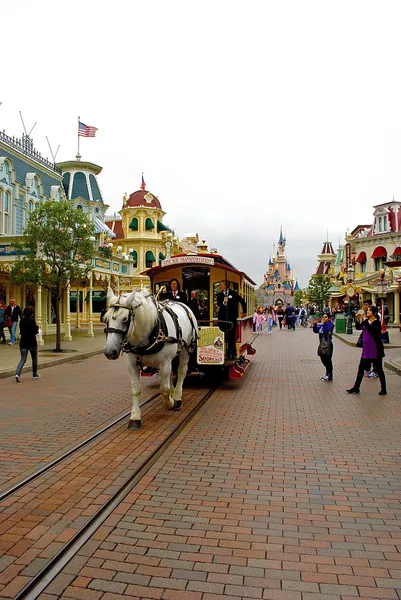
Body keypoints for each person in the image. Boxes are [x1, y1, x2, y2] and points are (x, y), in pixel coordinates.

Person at [346, 305, 386, 396]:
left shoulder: (377, 323)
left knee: (379, 369)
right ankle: (356, 387)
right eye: (367, 311)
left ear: (374, 313)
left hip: (375, 350)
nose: (367, 312)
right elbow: (358, 327)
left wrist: (364, 320)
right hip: (366, 350)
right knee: (361, 369)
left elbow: (372, 330)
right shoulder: (366, 321)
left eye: (369, 311)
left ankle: (383, 388)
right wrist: (357, 319)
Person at [217, 280, 246, 359]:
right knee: (223, 335)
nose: (220, 287)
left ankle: (232, 353)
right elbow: (219, 304)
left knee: (231, 335)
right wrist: (224, 302)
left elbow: (242, 301)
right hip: (222, 318)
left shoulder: (233, 294)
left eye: (221, 285)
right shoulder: (219, 295)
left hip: (231, 318)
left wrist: (244, 312)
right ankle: (222, 352)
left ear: (225, 286)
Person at [15, 306, 40, 382]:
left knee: (22, 359)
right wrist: (37, 328)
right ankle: (34, 374)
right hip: (32, 342)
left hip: (23, 342)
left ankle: (17, 374)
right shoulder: (32, 321)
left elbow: (21, 331)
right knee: (34, 358)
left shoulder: (21, 321)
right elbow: (36, 332)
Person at [313, 312, 334, 381]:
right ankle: (327, 373)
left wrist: (324, 324)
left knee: (328, 360)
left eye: (325, 317)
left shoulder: (330, 324)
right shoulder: (322, 325)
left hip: (328, 345)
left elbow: (326, 331)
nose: (324, 318)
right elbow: (316, 331)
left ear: (329, 318)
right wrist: (315, 324)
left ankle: (329, 375)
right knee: (323, 359)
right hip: (322, 344)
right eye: (323, 317)